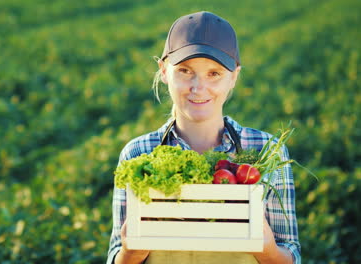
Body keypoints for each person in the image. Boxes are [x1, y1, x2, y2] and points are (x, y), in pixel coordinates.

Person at [106, 11, 301, 264]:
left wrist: (267, 250)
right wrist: (130, 252)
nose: (198, 88)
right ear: (164, 71)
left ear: (234, 77)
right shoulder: (138, 153)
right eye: (185, 71)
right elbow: (115, 257)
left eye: (214, 73)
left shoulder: (267, 150)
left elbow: (291, 254)